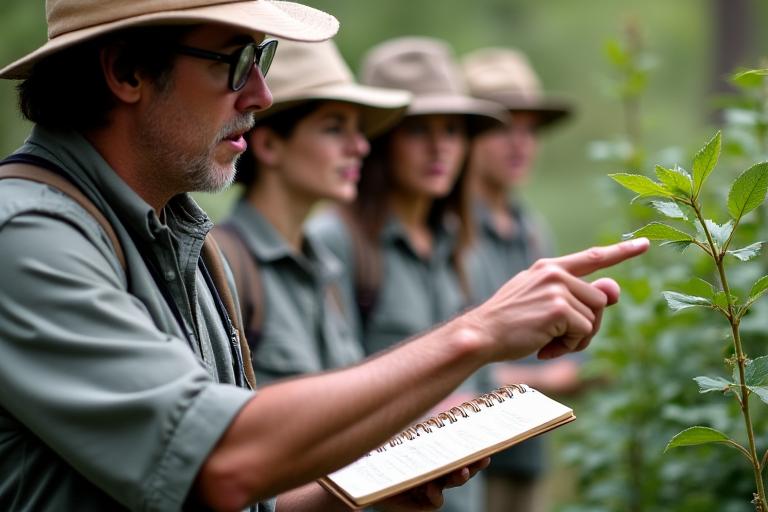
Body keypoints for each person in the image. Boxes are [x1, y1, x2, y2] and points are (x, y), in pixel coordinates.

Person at [0, 1, 648, 511]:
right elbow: (222, 464)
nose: (259, 94)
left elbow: (237, 499)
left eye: (264, 58)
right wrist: (478, 332)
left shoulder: (185, 244)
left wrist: (357, 495)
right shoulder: (27, 237)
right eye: (233, 61)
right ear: (126, 72)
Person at [306, 36, 504, 512]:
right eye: (419, 131)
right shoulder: (335, 240)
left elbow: (486, 380)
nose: (440, 147)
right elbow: (328, 402)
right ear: (379, 140)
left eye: (453, 130)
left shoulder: (460, 246)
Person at [214, 37, 409, 385]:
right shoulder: (221, 264)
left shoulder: (327, 269)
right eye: (335, 128)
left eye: (359, 130)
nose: (360, 147)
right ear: (270, 144)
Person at [461, 47, 578, 512]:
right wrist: (551, 379)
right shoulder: (444, 233)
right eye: (504, 127)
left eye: (530, 130)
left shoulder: (532, 231)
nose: (520, 144)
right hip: (462, 465)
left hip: (527, 454)